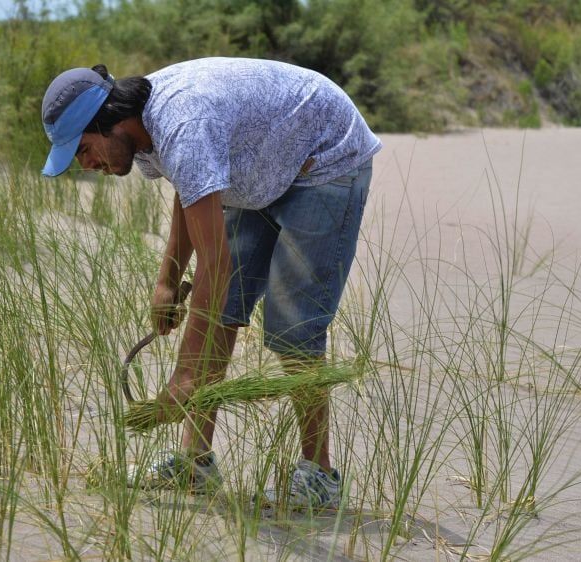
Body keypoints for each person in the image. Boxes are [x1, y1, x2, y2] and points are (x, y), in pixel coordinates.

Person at [41, 57, 381, 509]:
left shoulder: (183, 121)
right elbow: (191, 186)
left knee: (292, 330)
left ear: (108, 124)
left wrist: (183, 376)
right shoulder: (141, 139)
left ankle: (320, 476)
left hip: (323, 159)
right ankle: (195, 464)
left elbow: (216, 263)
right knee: (220, 313)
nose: (86, 165)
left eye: (83, 150)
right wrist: (167, 279)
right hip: (257, 166)